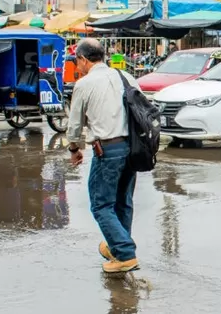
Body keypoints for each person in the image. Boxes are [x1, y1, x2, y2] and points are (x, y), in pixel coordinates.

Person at [67, 38, 140, 274]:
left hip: (107, 149)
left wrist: (74, 149)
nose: (76, 65)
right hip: (132, 147)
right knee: (123, 201)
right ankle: (118, 249)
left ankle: (125, 252)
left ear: (83, 59)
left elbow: (75, 123)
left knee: (101, 204)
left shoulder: (85, 84)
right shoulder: (125, 76)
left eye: (75, 60)